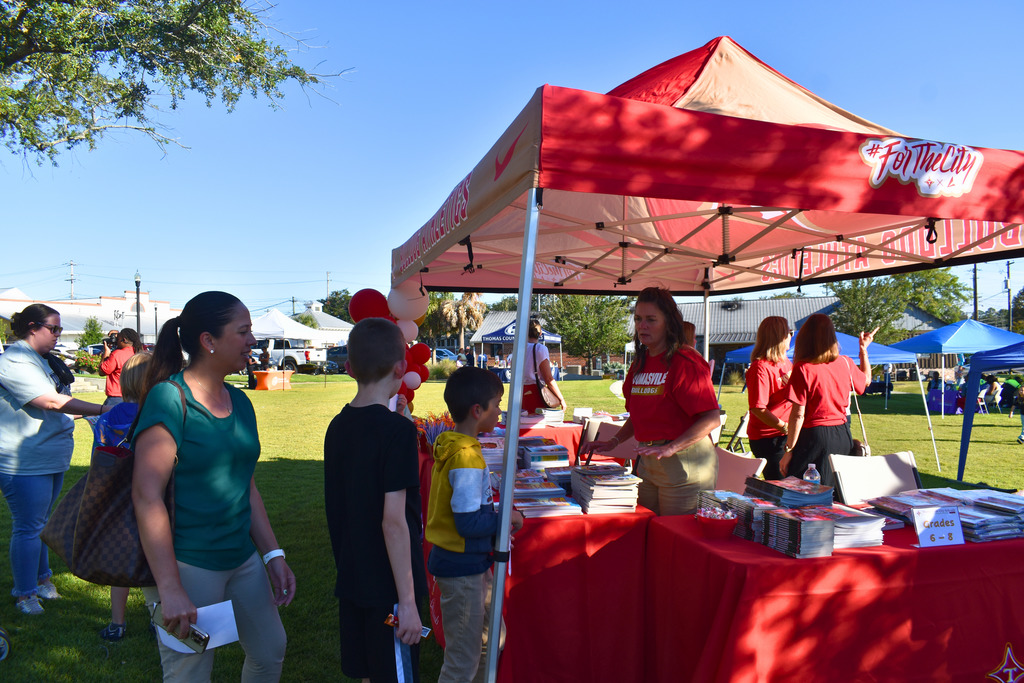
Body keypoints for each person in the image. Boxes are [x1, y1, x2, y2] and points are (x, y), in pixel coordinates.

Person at [133, 291, 294, 681]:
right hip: (189, 565)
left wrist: (272, 554)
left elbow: (245, 484)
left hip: (241, 558)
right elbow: (146, 495)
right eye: (243, 332)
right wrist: (170, 587)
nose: (253, 341)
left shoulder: (240, 401)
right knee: (190, 672)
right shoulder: (169, 399)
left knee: (270, 651)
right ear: (208, 341)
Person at [324, 317, 427, 682]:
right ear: (402, 367)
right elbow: (394, 522)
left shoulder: (338, 426)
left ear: (349, 368)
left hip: (353, 577)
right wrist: (409, 604)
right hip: (389, 590)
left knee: (369, 672)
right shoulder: (397, 431)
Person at [0, 304, 108, 615]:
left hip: (48, 457)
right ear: (32, 327)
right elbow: (48, 401)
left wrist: (87, 417)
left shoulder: (40, 360)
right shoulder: (15, 361)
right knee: (29, 526)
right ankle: (25, 593)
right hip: (24, 462)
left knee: (40, 524)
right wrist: (104, 410)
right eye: (54, 329)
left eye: (59, 330)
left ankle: (42, 579)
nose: (58, 336)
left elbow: (58, 399)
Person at [585, 287, 721, 516]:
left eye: (650, 319)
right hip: (650, 463)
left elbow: (711, 417)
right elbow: (639, 417)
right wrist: (614, 442)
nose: (642, 326)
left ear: (668, 323)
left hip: (686, 463)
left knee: (676, 540)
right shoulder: (640, 362)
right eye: (638, 319)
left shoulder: (685, 361)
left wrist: (672, 447)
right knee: (645, 531)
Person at [427, 366, 524, 683]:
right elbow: (468, 523)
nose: (500, 411)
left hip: (472, 564)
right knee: (463, 660)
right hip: (462, 567)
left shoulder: (458, 446)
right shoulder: (466, 457)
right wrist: (505, 519)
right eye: (497, 404)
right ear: (477, 410)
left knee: (489, 643)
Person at [90, 351, 152, 641]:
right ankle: (159, 619)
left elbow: (99, 461)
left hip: (116, 498)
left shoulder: (107, 418)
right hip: (154, 497)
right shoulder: (158, 414)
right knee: (157, 557)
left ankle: (118, 624)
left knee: (120, 560)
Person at [781, 313, 876, 486]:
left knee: (804, 489)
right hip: (842, 433)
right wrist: (863, 350)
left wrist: (789, 450)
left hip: (815, 436)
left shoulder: (803, 368)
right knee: (837, 488)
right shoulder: (845, 363)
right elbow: (866, 381)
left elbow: (798, 415)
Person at [745, 317, 793, 480]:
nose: (791, 336)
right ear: (780, 336)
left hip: (785, 433)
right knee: (780, 488)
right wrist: (785, 427)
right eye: (789, 332)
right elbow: (758, 408)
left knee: (792, 484)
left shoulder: (785, 361)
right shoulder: (760, 368)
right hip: (769, 438)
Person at [520, 319, 567, 414]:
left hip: (520, 392)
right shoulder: (540, 349)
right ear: (540, 333)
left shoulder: (518, 348)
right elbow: (548, 378)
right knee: (538, 423)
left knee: (523, 423)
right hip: (536, 392)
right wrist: (561, 398)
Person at [99, 327, 143, 407]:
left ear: (124, 340)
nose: (116, 342)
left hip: (116, 397)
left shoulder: (117, 354)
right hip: (134, 396)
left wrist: (105, 356)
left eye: (118, 339)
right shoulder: (138, 353)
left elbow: (102, 371)